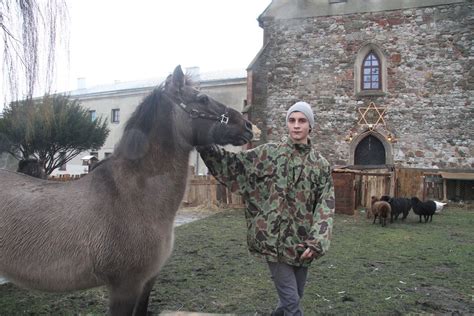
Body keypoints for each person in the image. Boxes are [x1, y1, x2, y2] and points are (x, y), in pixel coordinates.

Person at [198, 101, 335, 316]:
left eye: (302, 121)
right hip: (274, 242)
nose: (296, 126)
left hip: (303, 245)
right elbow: (232, 165)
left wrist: (318, 241)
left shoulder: (321, 165)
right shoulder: (269, 154)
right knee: (292, 304)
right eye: (292, 120)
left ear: (310, 126)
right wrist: (203, 141)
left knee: (293, 299)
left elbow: (325, 206)